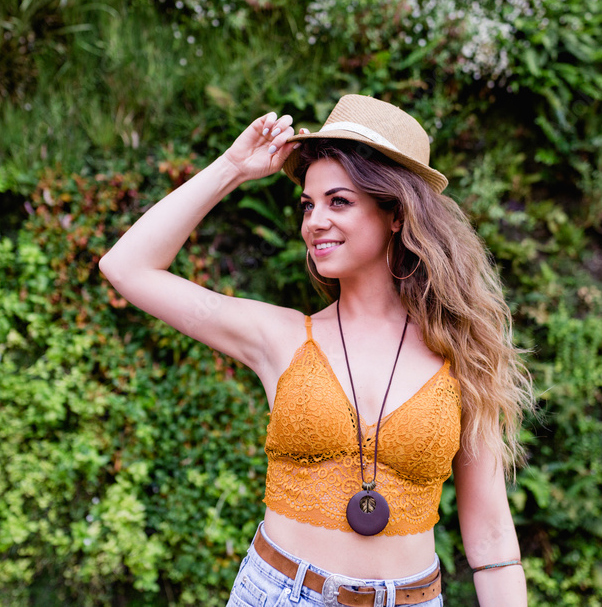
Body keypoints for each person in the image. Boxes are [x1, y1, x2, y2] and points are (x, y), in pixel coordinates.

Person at [99, 94, 534, 606]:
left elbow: (491, 539)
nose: (314, 221)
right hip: (280, 592)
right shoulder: (280, 337)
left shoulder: (463, 354)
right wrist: (232, 168)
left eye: (339, 201)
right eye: (308, 205)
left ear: (395, 213)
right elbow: (127, 267)